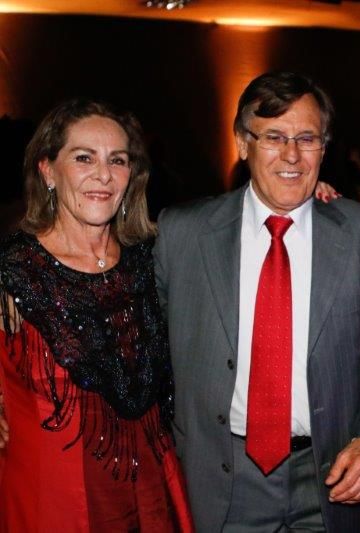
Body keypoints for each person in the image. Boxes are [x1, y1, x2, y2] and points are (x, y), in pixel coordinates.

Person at [153, 71, 360, 532]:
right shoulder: (183, 233)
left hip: (330, 479)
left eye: (306, 138)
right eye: (273, 137)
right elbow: (139, 342)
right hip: (220, 479)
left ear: (323, 148)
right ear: (242, 143)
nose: (292, 155)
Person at [0, 99, 192, 531]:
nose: (103, 174)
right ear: (48, 171)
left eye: (117, 160)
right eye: (84, 157)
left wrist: (315, 201)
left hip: (154, 495)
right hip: (54, 503)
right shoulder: (13, 272)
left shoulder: (151, 261)